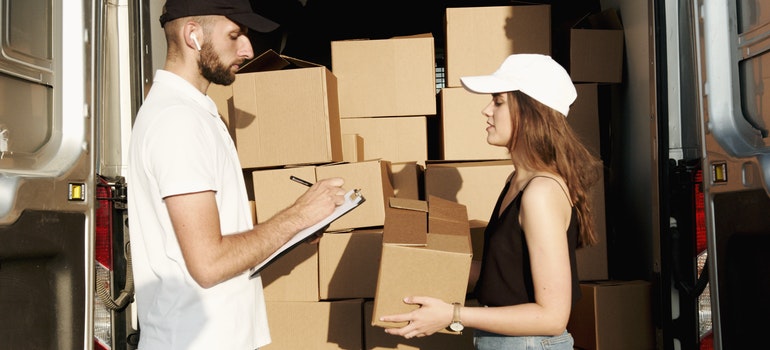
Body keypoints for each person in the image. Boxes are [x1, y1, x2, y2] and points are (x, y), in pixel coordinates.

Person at [127, 1, 346, 349]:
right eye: (235, 35)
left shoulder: (195, 112)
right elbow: (209, 263)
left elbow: (218, 237)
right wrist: (297, 216)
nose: (247, 49)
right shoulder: (178, 122)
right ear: (193, 35)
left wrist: (290, 233)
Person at [379, 54, 602, 349]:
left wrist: (452, 314)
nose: (486, 110)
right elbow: (506, 275)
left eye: (498, 101)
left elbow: (552, 317)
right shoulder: (516, 181)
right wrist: (419, 267)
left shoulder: (540, 193)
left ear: (529, 111)